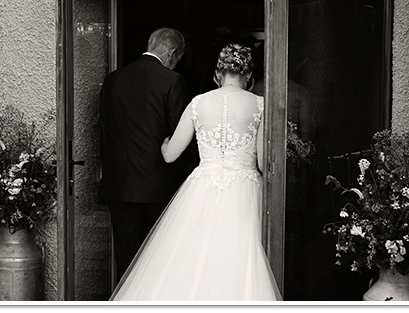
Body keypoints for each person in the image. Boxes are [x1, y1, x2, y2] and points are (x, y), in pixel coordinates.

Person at [110, 43, 281, 301]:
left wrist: (165, 141)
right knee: (240, 256)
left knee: (192, 258)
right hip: (244, 189)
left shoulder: (198, 102)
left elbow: (170, 156)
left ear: (218, 73)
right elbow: (262, 162)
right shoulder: (259, 104)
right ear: (247, 75)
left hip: (202, 188)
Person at [99, 27, 191, 280]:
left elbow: (105, 135)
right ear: (172, 54)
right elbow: (177, 137)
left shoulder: (113, 79)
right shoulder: (172, 81)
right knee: (162, 261)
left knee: (126, 263)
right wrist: (183, 180)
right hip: (158, 187)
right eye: (178, 58)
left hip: (119, 187)